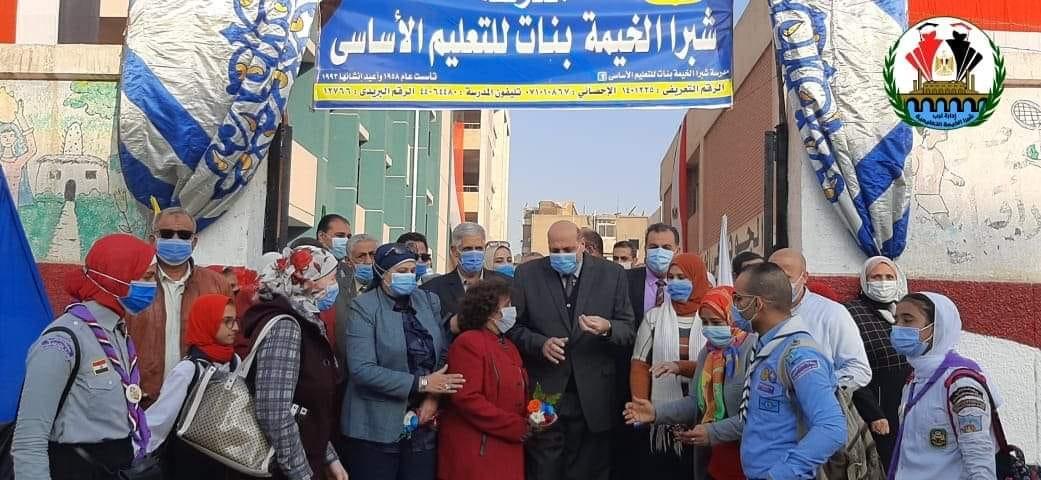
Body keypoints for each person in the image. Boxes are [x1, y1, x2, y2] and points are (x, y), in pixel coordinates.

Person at [12, 234, 158, 479]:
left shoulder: (117, 333)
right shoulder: (62, 341)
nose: (153, 287)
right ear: (117, 278)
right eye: (147, 277)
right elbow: (29, 440)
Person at [508, 220, 635, 480]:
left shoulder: (611, 274)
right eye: (554, 250)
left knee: (591, 470)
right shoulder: (527, 274)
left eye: (567, 249)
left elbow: (628, 329)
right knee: (544, 469)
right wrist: (540, 344)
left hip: (594, 395)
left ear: (581, 245)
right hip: (545, 391)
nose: (561, 255)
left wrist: (607, 327)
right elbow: (513, 327)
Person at [342, 243, 465, 480]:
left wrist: (432, 397)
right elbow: (362, 369)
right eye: (401, 272)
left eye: (412, 271)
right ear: (382, 273)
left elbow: (441, 350)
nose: (408, 276)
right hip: (374, 428)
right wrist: (421, 383)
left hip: (423, 425)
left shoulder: (427, 300)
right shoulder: (363, 307)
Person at [624, 286, 753, 480]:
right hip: (715, 462)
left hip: (748, 462)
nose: (709, 329)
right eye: (705, 322)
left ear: (733, 318)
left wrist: (711, 432)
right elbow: (695, 401)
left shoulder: (753, 350)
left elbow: (754, 416)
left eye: (716, 322)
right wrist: (656, 413)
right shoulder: (708, 353)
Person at [732, 262, 846, 478]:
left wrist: (780, 474)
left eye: (739, 299)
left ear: (757, 304)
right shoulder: (764, 346)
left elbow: (831, 428)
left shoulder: (799, 355)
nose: (734, 307)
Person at [242, 245, 347, 480]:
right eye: (331, 278)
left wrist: (329, 457)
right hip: (282, 468)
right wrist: (302, 473)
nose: (335, 285)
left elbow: (308, 407)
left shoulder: (306, 320)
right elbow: (274, 411)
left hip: (307, 455)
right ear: (310, 282)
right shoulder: (287, 327)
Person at [888, 293, 1000, 479]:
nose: (898, 327)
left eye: (907, 320)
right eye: (896, 320)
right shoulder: (915, 378)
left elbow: (979, 456)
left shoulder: (960, 383)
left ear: (937, 328)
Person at [127, 207, 230, 404]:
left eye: (183, 235)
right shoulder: (136, 284)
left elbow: (227, 341)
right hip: (144, 399)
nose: (175, 239)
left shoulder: (217, 285)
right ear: (153, 240)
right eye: (166, 234)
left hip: (196, 401)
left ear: (194, 242)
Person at [628, 253, 712, 479]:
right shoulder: (654, 318)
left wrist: (680, 367)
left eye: (682, 277)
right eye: (671, 277)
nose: (674, 283)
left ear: (697, 278)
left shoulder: (714, 318)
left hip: (706, 416)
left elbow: (714, 367)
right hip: (664, 421)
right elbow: (639, 364)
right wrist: (640, 404)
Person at [437, 278, 530, 480]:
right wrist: (514, 425)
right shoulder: (468, 342)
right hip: (477, 450)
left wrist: (535, 416)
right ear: (490, 312)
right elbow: (467, 399)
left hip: (507, 448)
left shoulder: (509, 345)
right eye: (507, 305)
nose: (512, 310)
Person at [145, 294, 240, 478]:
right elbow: (160, 420)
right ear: (207, 322)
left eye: (235, 320)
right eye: (227, 321)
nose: (235, 328)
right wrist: (134, 452)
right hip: (187, 463)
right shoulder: (187, 370)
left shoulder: (234, 361)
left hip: (223, 461)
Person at [615, 223, 681, 480]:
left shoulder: (688, 283)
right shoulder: (624, 280)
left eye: (666, 247)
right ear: (644, 249)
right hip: (629, 377)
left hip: (674, 380)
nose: (659, 252)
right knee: (632, 455)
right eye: (653, 247)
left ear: (678, 250)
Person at [769, 248, 871, 390]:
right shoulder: (759, 311)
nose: (777, 284)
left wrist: (815, 384)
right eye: (772, 278)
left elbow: (859, 370)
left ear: (804, 277)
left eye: (786, 278)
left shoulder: (831, 313)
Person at [844, 256, 912, 469]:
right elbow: (848, 366)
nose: (883, 282)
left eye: (889, 277)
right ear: (865, 281)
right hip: (877, 406)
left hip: (909, 404)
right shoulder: (850, 313)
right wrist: (874, 413)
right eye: (876, 277)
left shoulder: (906, 312)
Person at [421, 223, 510, 337]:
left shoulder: (506, 284)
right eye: (468, 249)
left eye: (479, 248)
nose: (474, 254)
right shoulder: (432, 290)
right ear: (454, 251)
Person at [317, 214, 353, 362]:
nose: (346, 241)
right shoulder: (311, 271)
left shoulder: (347, 271)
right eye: (340, 236)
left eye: (348, 237)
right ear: (322, 236)